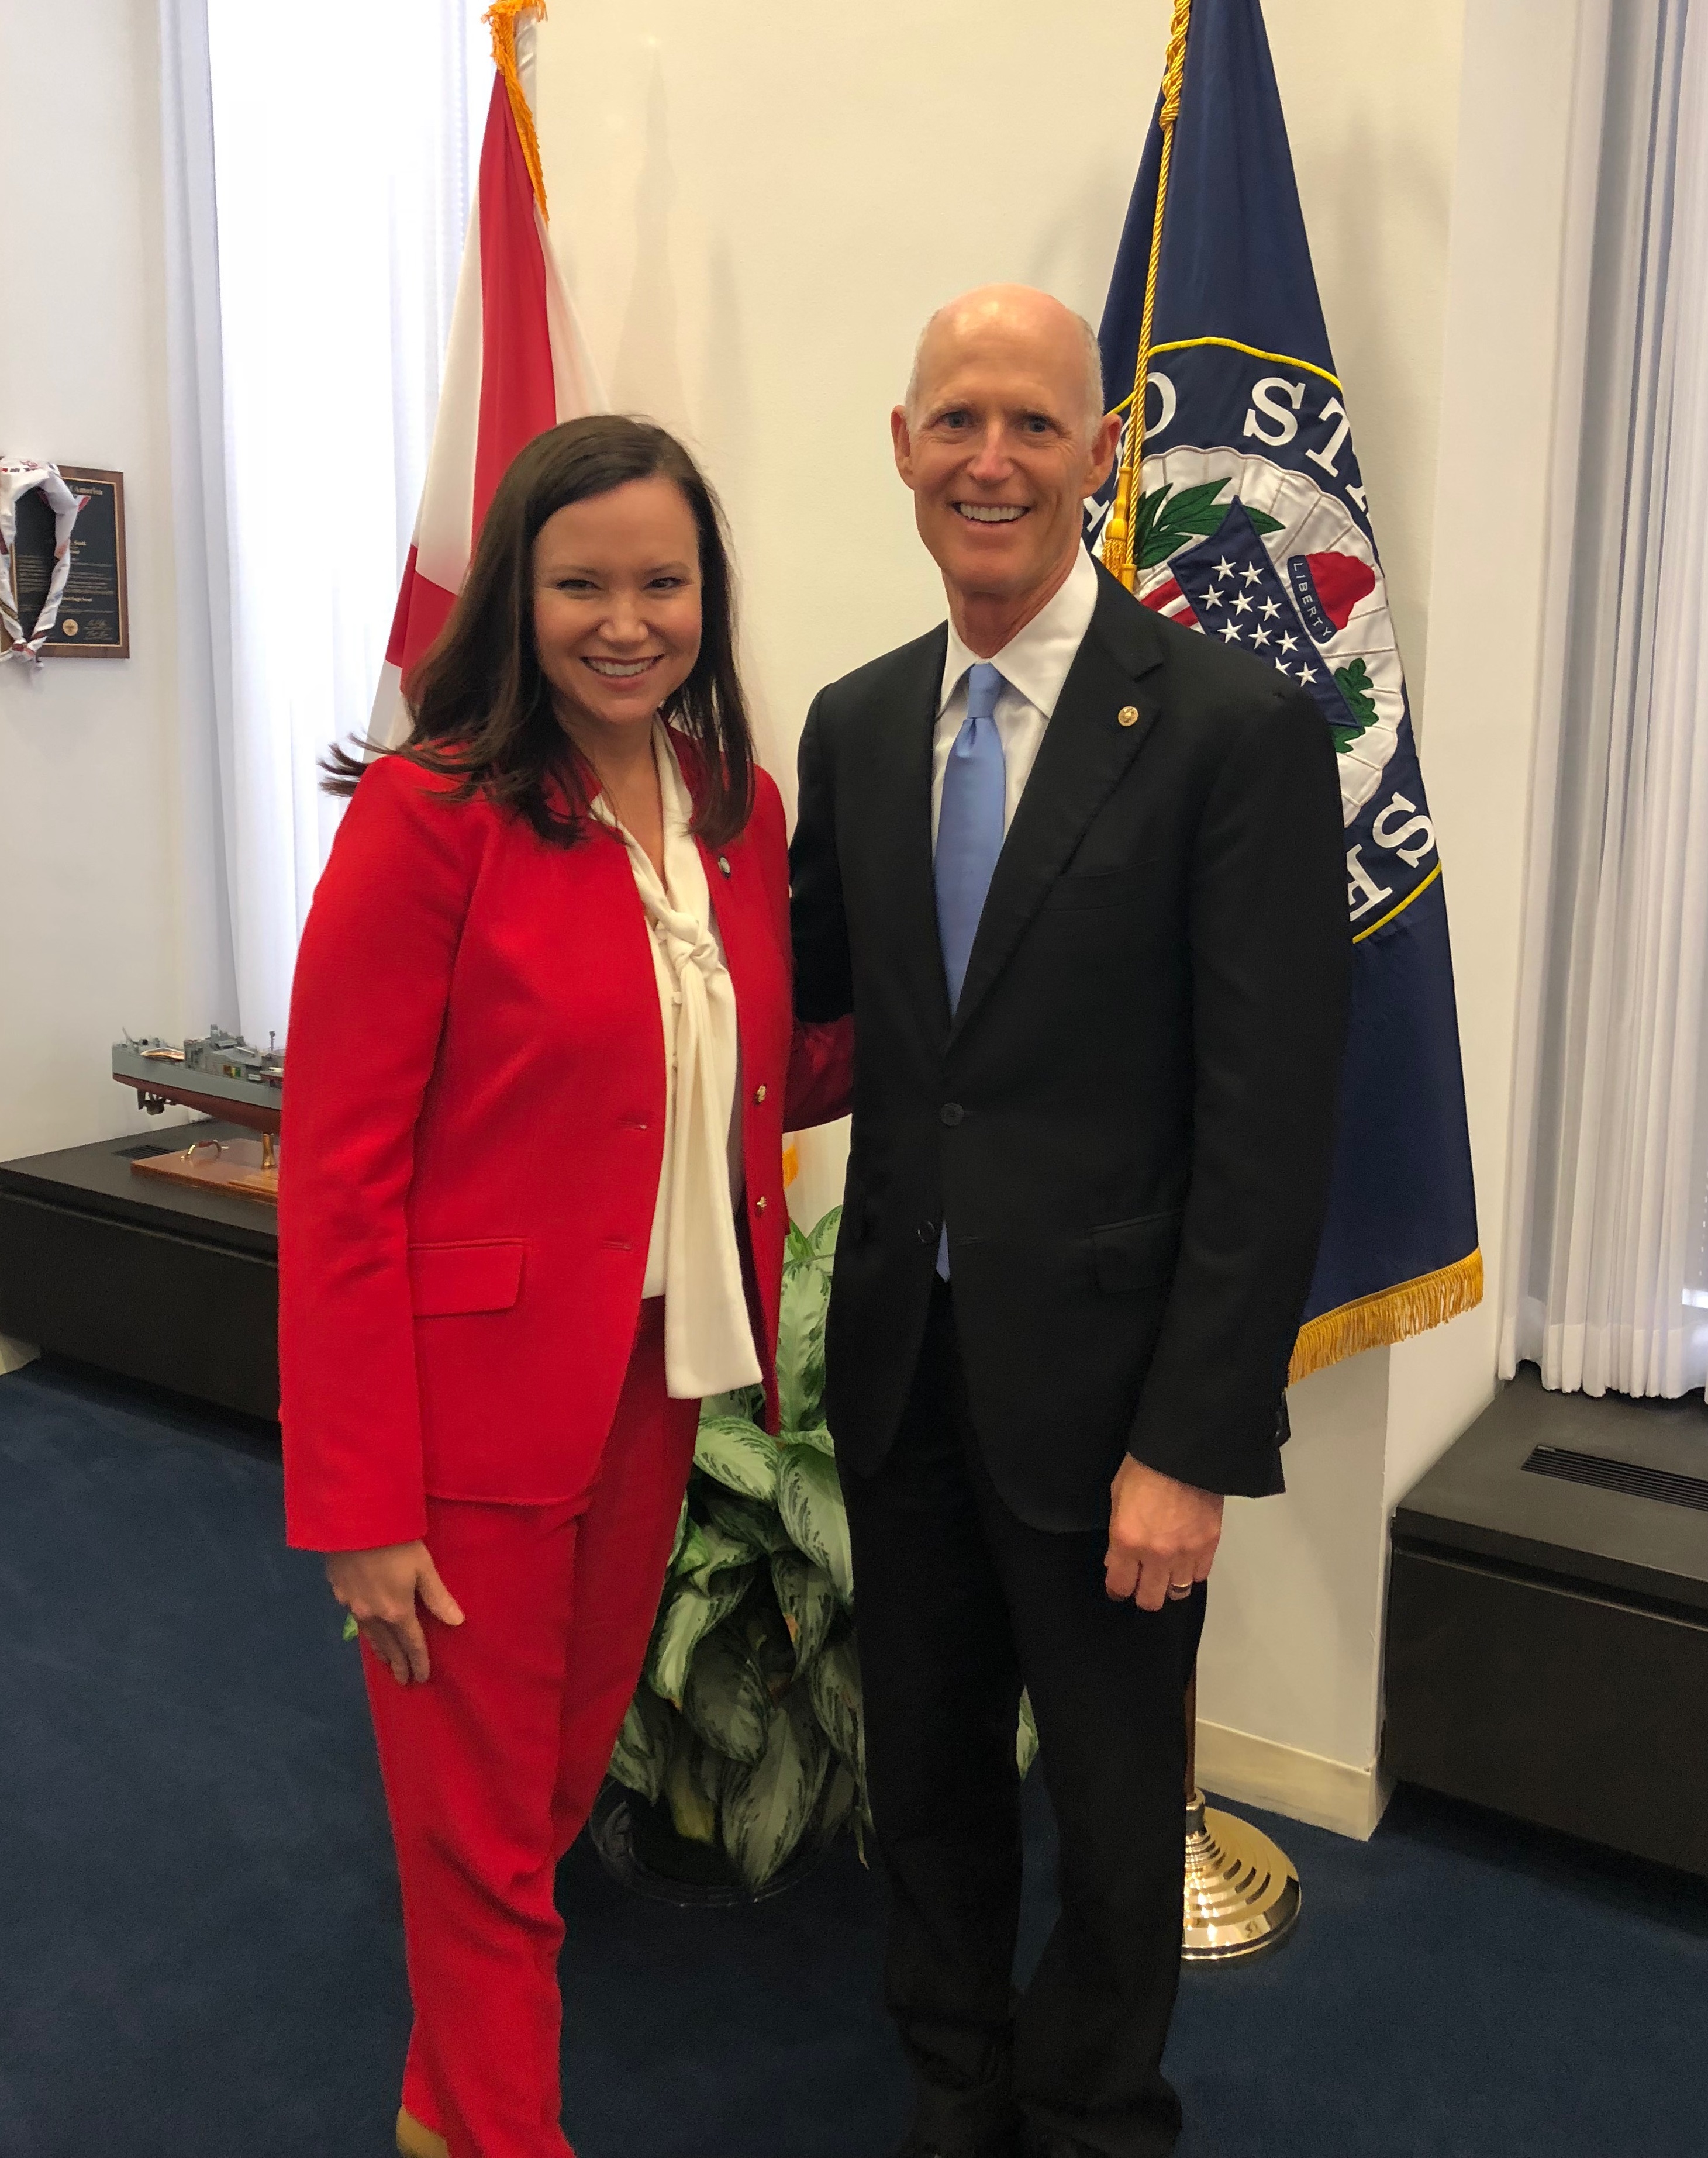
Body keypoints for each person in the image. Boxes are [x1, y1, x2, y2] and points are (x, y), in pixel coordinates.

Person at [789, 286, 1351, 2158]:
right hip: (904, 1375)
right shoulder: (857, 725)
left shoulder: (1229, 730)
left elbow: (1264, 1130)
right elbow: (804, 1011)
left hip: (1113, 1409)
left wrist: (1188, 1439)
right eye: (956, 420)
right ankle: (952, 2083)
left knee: (1116, 1822)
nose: (991, 460)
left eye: (1032, 423)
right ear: (899, 444)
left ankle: (1096, 2113)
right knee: (930, 1780)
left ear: (1100, 451)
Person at [279, 415, 850, 2158]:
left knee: (528, 1799)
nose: (627, 618)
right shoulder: (433, 811)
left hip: (658, 1377)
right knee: (474, 1836)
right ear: (519, 596)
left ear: (707, 596)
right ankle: (500, 2130)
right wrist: (362, 1502)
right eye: (582, 581)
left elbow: (758, 1066)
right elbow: (341, 1176)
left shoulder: (737, 813)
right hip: (463, 1413)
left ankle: (442, 2106)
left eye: (661, 581)